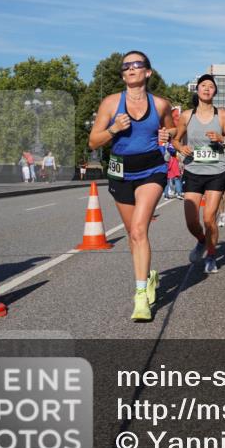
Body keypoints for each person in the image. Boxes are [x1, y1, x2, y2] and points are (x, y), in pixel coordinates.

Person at [88, 50, 175, 321]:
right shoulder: (111, 103)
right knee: (131, 233)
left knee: (139, 230)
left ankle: (140, 297)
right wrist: (113, 129)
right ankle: (147, 276)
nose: (130, 69)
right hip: (121, 171)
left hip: (152, 169)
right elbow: (93, 141)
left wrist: (167, 134)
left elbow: (174, 128)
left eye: (136, 65)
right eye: (126, 66)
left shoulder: (160, 104)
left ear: (147, 72)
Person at [173, 74, 225, 275]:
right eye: (203, 85)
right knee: (191, 221)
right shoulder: (186, 115)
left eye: (211, 86)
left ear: (215, 91)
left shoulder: (223, 115)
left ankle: (211, 255)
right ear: (197, 90)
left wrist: (222, 139)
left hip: (216, 170)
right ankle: (202, 241)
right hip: (193, 171)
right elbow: (175, 140)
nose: (207, 89)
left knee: (209, 218)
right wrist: (180, 148)